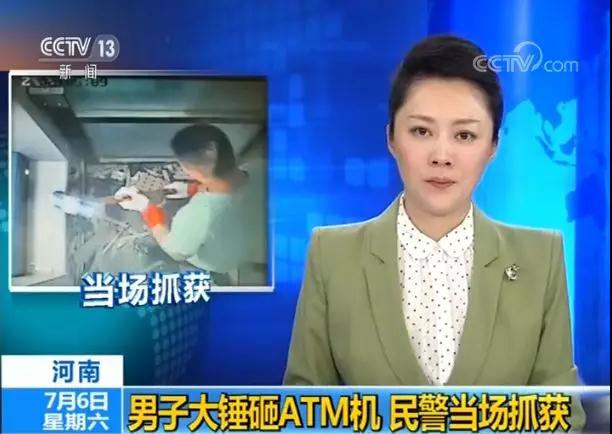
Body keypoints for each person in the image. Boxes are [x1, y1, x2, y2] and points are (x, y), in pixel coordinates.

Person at [284, 34, 585, 429]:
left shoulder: (540, 257)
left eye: (465, 135)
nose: (442, 156)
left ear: (493, 145)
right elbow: (303, 411)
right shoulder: (332, 254)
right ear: (391, 137)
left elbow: (561, 414)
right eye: (422, 131)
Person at [114, 123, 266, 284]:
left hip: (224, 261)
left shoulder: (198, 214)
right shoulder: (261, 167)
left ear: (191, 170)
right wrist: (193, 189)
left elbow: (177, 251)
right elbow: (231, 185)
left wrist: (147, 209)